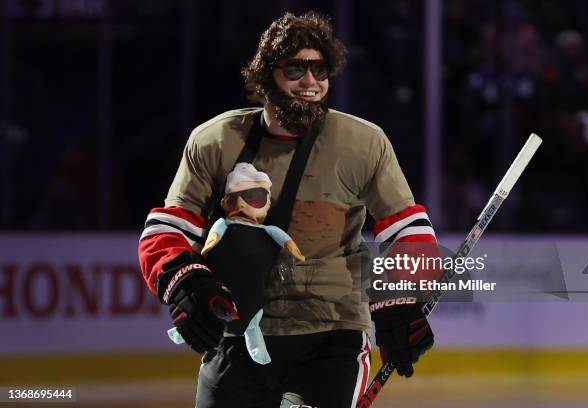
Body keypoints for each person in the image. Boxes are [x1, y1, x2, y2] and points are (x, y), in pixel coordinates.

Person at [138, 11, 437, 408]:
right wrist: (182, 280)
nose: (311, 82)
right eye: (296, 68)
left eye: (320, 69)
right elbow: (166, 229)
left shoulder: (364, 143)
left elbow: (410, 232)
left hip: (333, 338)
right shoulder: (214, 141)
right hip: (238, 339)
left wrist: (400, 297)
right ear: (266, 77)